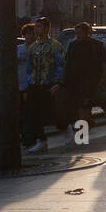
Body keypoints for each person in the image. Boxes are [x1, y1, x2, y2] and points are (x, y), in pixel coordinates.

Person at [63, 21, 106, 143]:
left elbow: (104, 63)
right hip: (78, 80)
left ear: (87, 33)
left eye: (80, 33)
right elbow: (68, 63)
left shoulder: (96, 45)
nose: (77, 36)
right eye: (76, 33)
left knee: (83, 108)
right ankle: (87, 128)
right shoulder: (74, 45)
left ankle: (81, 136)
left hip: (90, 80)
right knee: (83, 108)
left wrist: (105, 78)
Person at [24, 17, 65, 153]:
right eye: (36, 27)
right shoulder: (32, 47)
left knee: (51, 112)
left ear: (47, 28)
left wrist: (58, 83)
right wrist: (27, 86)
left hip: (49, 84)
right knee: (34, 114)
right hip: (35, 85)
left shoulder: (55, 46)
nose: (36, 29)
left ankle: (65, 126)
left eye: (39, 27)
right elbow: (29, 68)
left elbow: (60, 66)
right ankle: (41, 140)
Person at [16, 22, 36, 146]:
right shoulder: (19, 50)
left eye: (32, 34)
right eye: (28, 34)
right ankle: (24, 134)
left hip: (33, 85)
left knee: (31, 112)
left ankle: (30, 135)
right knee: (21, 112)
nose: (30, 36)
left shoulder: (39, 49)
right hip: (19, 84)